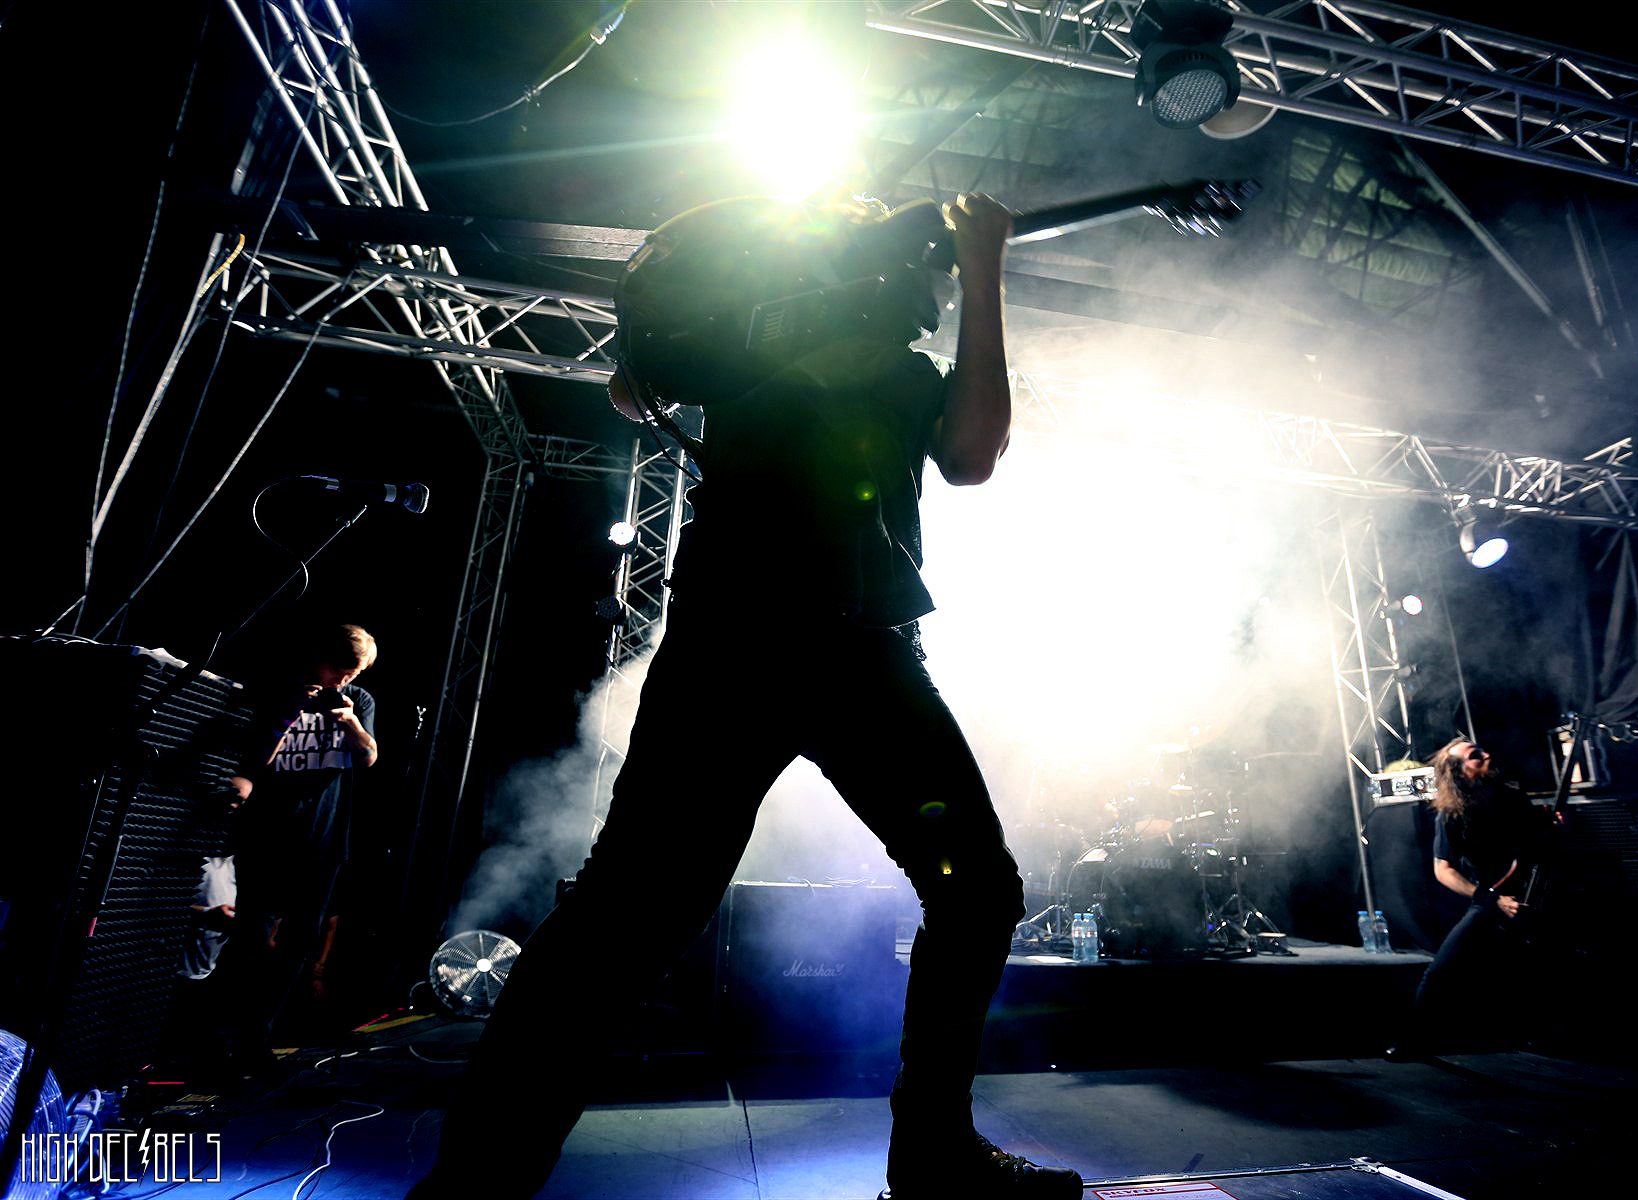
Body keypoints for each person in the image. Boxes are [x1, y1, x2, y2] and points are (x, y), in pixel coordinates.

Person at [408, 192, 1081, 1200]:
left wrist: (970, 267)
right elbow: (642, 383)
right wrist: (959, 264)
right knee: (631, 918)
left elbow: (969, 457)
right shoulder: (790, 342)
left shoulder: (855, 365)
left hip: (822, 650)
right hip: (777, 649)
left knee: (963, 890)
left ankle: (933, 1156)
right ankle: (474, 1185)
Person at [217, 622, 377, 1076]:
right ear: (319, 659)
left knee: (300, 943)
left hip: (324, 840)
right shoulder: (280, 691)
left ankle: (256, 1039)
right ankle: (219, 1040)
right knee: (251, 938)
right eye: (338, 670)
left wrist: (351, 723)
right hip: (268, 837)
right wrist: (287, 715)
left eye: (352, 674)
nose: (342, 680)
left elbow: (368, 757)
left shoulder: (358, 700)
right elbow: (254, 761)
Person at [1385, 737, 1555, 1061]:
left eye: (1483, 750)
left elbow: (1536, 848)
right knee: (1441, 972)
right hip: (1490, 901)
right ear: (1460, 773)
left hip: (1532, 896)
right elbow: (1443, 870)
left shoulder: (1514, 799)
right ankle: (1416, 1038)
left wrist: (1551, 828)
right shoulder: (1452, 814)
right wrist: (1491, 900)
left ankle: (1538, 1032)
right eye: (1476, 756)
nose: (1487, 755)